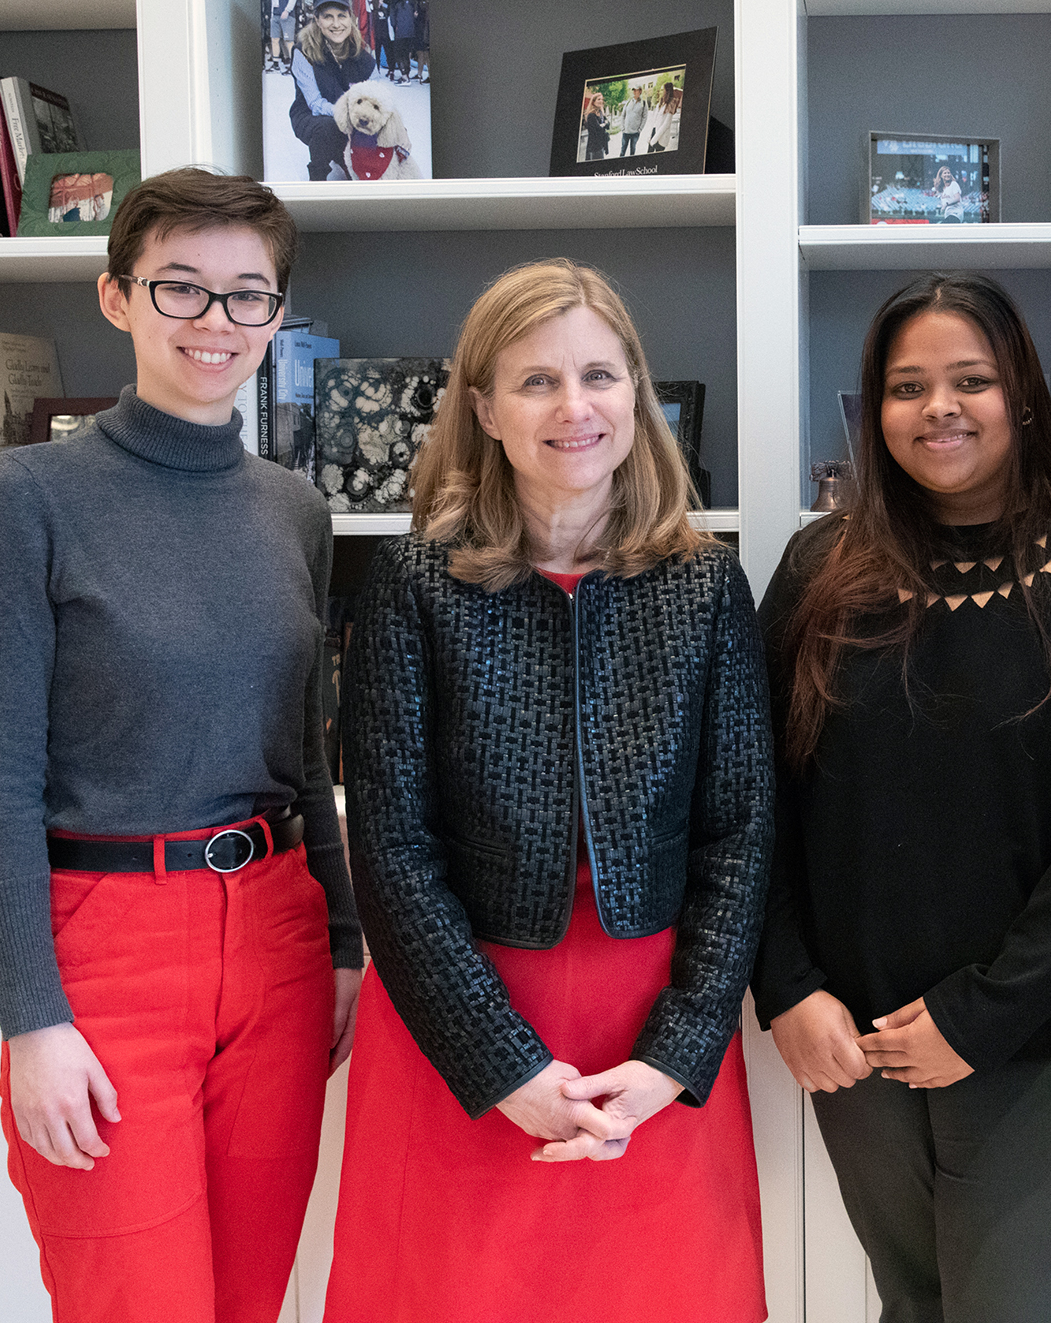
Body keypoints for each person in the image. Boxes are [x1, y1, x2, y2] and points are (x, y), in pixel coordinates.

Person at [326, 258, 774, 1323]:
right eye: (534, 382)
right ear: (480, 408)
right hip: (459, 1020)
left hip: (649, 1029)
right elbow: (390, 846)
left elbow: (742, 829)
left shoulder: (705, 584)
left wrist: (674, 1054)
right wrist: (502, 1067)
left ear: (635, 393)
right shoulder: (410, 583)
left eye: (599, 376)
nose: (574, 408)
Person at [0, 168, 363, 1323]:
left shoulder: (292, 509)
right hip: (105, 949)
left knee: (248, 1299)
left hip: (277, 933)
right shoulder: (30, 496)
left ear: (278, 317)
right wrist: (32, 1019)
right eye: (179, 287)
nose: (213, 322)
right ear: (117, 297)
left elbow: (305, 748)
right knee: (135, 1301)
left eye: (246, 295)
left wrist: (340, 943)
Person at [753, 271, 1051, 1323]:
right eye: (906, 387)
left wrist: (982, 1012)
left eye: (971, 380)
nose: (938, 407)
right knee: (912, 1307)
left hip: (1036, 1034)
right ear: (875, 410)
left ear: (1023, 394)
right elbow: (751, 793)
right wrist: (784, 983)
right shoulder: (819, 566)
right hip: (849, 1034)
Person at [288, 0, 376, 181]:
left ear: (350, 19)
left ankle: (343, 155)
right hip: (311, 116)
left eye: (341, 16)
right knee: (328, 127)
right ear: (317, 20)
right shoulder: (303, 52)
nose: (336, 24)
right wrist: (352, 115)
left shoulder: (363, 55)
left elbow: (377, 95)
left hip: (350, 115)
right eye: (328, 17)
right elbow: (315, 103)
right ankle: (318, 176)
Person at [618, 85, 648, 157]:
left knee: (632, 151)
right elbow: (623, 115)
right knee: (622, 151)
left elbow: (645, 117)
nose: (634, 92)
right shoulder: (628, 102)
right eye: (633, 90)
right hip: (626, 132)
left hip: (635, 133)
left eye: (636, 90)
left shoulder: (643, 103)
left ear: (640, 91)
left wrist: (640, 129)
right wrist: (622, 127)